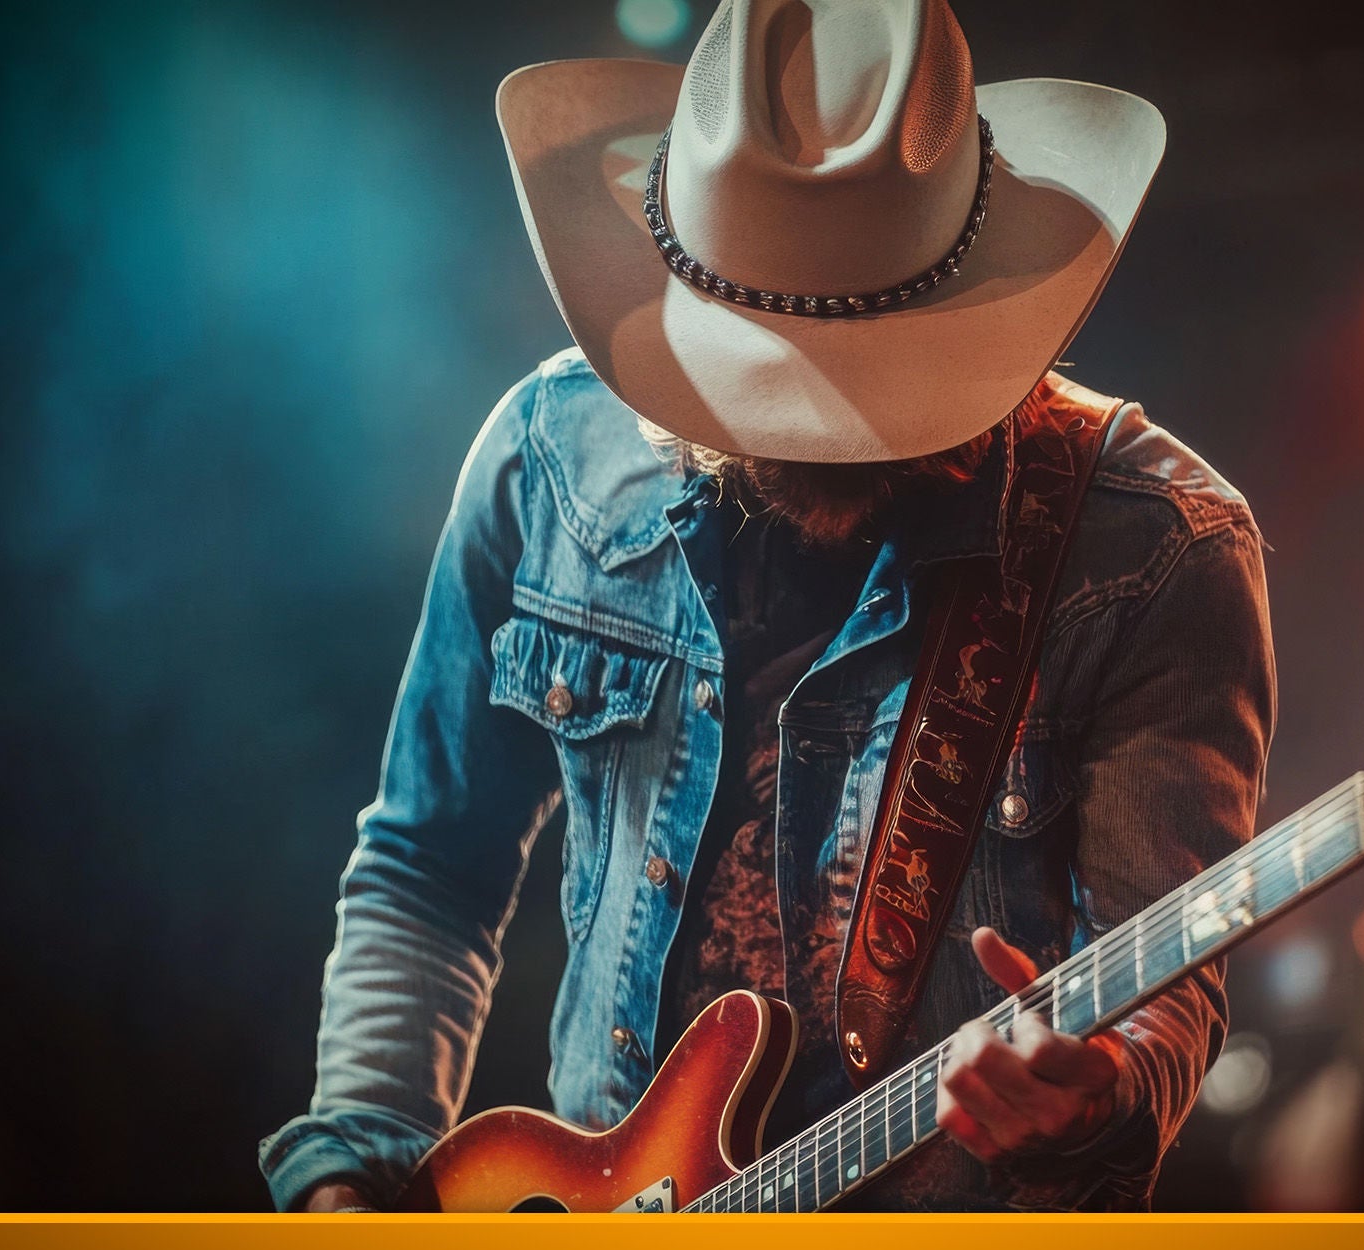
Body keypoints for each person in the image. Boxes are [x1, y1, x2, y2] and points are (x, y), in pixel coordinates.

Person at [260, 0, 1274, 1213]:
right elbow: (429, 865)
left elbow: (1170, 983)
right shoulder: (550, 458)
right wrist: (354, 1169)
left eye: (866, 388)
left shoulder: (1155, 550)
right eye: (771, 387)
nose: (822, 434)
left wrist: (1096, 1087)